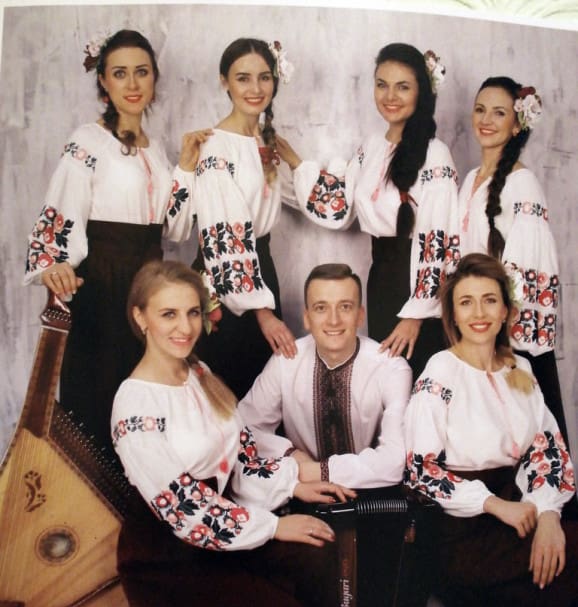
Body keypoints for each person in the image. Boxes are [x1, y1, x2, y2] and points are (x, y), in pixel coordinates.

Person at [111, 259, 354, 607]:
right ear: (140, 317)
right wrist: (274, 525)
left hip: (223, 523)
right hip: (168, 555)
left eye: (192, 313)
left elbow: (239, 451)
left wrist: (291, 484)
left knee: (314, 554)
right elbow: (185, 509)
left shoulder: (198, 372)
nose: (184, 328)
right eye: (168, 314)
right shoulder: (134, 406)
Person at [404, 252, 578, 607]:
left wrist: (548, 514)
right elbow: (421, 470)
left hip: (521, 506)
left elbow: (547, 449)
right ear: (453, 315)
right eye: (466, 302)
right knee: (547, 593)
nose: (478, 313)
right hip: (465, 527)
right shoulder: (440, 372)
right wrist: (493, 504)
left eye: (489, 300)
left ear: (505, 311)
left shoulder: (521, 369)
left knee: (565, 553)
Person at [24, 29, 196, 453]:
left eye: (142, 72)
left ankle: (141, 491)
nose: (132, 84)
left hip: (149, 286)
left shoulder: (157, 150)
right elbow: (61, 210)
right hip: (103, 284)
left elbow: (173, 229)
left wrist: (187, 169)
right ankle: (93, 494)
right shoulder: (88, 141)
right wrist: (54, 263)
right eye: (120, 73)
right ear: (103, 80)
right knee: (100, 398)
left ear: (154, 77)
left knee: (146, 401)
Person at [277, 43, 460, 379]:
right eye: (381, 84)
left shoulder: (435, 154)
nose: (390, 96)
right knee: (387, 380)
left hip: (415, 287)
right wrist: (292, 162)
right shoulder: (373, 146)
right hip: (381, 281)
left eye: (402, 87)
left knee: (419, 377)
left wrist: (416, 315)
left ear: (422, 90)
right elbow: (340, 205)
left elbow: (440, 239)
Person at [171, 37, 298, 399]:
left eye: (264, 77)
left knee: (264, 391)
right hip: (226, 281)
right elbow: (224, 235)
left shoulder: (265, 142)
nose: (255, 89)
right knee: (231, 388)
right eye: (243, 78)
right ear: (224, 81)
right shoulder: (216, 147)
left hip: (261, 271)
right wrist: (262, 312)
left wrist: (296, 161)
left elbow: (300, 197)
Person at [459, 76, 569, 440]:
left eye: (499, 112)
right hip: (475, 329)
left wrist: (504, 338)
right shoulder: (471, 179)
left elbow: (529, 268)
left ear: (517, 124)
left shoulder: (523, 185)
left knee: (524, 435)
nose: (486, 120)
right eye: (480, 109)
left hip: (507, 337)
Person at [238, 262, 412, 489]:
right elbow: (243, 429)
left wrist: (317, 471)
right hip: (302, 493)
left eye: (345, 307)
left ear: (360, 316)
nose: (333, 320)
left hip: (373, 494)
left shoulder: (391, 368)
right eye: (321, 308)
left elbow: (394, 462)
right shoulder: (285, 362)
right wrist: (291, 455)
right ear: (306, 318)